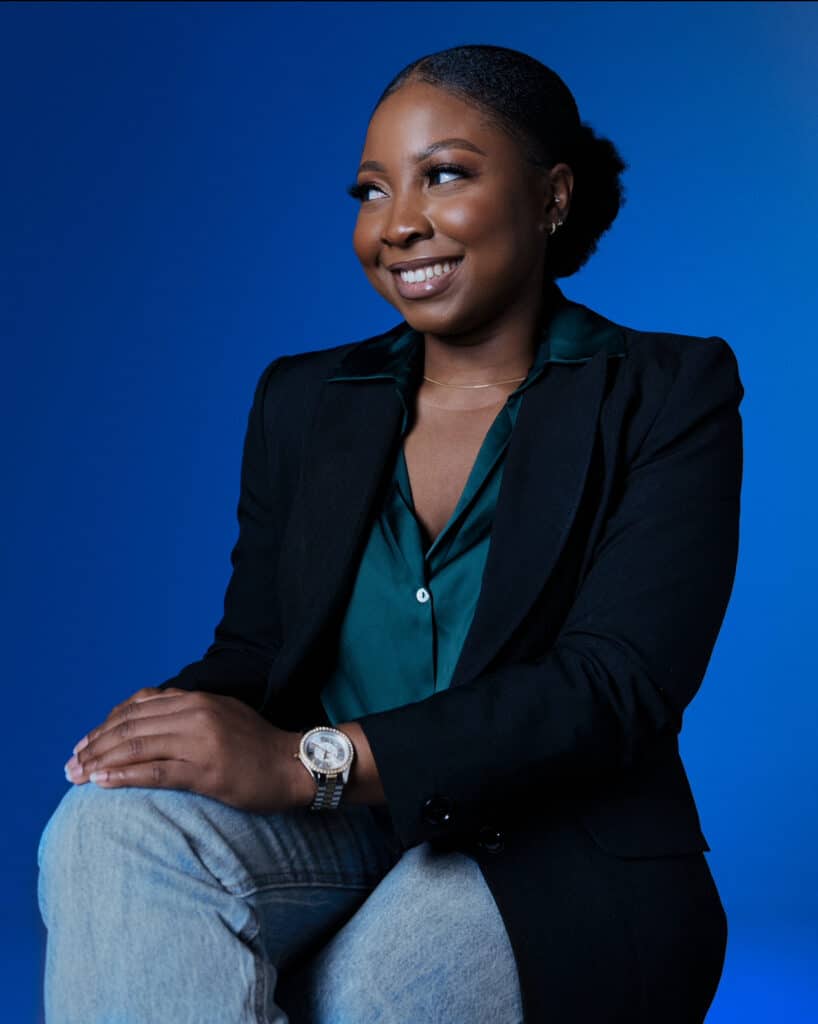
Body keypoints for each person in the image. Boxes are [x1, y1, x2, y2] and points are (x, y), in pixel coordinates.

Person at [37, 44, 743, 1024]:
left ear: (550, 195)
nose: (398, 223)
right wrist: (165, 733)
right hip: (337, 832)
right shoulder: (304, 400)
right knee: (105, 829)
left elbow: (614, 687)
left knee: (362, 993)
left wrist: (308, 760)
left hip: (555, 848)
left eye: (443, 174)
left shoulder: (665, 391)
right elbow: (259, 648)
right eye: (370, 191)